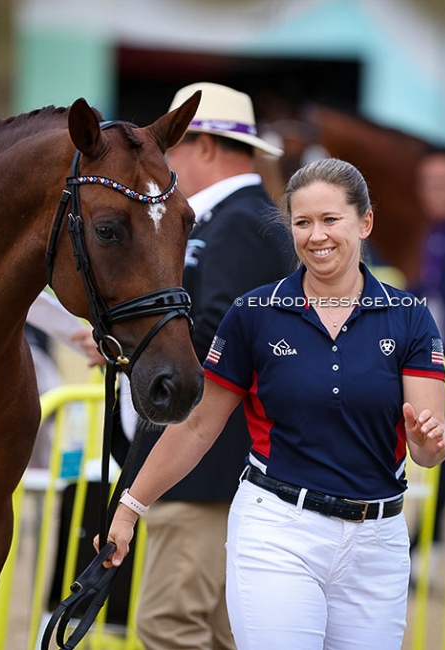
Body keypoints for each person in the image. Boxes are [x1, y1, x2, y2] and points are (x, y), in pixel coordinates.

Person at [99, 158, 445, 650]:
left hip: (378, 541)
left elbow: (430, 448)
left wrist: (430, 441)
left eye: (331, 220)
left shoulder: (410, 316)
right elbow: (198, 424)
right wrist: (128, 509)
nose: (316, 235)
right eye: (302, 222)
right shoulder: (253, 314)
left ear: (364, 222)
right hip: (278, 530)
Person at [130, 82, 296, 650]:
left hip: (206, 469)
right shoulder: (239, 219)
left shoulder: (236, 223)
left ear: (203, 147)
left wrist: (137, 350)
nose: (166, 160)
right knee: (223, 632)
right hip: (219, 466)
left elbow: (221, 338)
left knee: (171, 626)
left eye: (173, 144)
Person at [408, 146, 445, 566]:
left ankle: (430, 543)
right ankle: (427, 542)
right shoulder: (432, 232)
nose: (433, 192)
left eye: (443, 183)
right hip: (439, 366)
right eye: (427, 183)